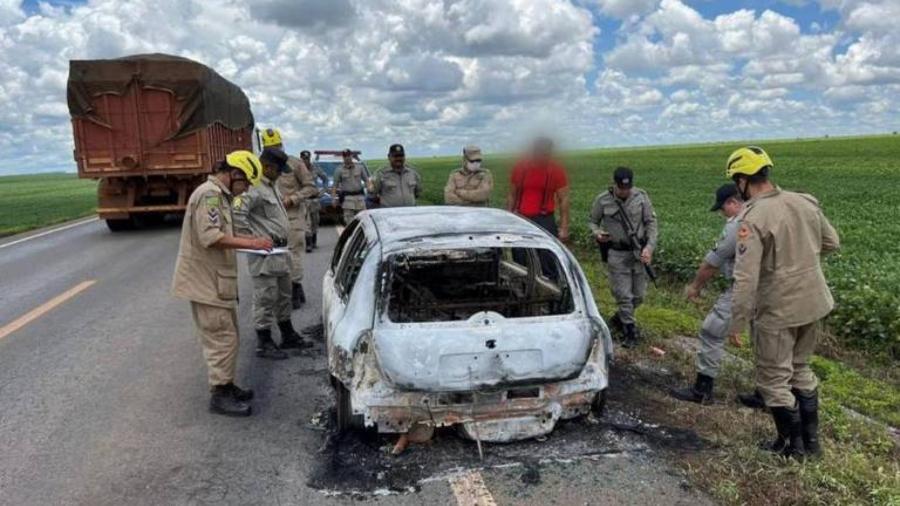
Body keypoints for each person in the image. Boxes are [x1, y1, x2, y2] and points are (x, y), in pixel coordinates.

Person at [725, 146, 840, 459]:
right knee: (801, 369)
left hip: (779, 308)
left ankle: (793, 447)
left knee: (774, 378)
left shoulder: (753, 217)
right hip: (814, 301)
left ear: (742, 180)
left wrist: (737, 322)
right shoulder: (803, 201)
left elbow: (746, 279)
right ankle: (811, 445)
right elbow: (832, 242)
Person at [171, 151, 273, 417]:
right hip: (206, 283)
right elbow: (211, 236)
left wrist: (253, 240)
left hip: (216, 282)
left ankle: (226, 385)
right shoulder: (210, 195)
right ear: (234, 174)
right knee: (221, 339)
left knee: (229, 336)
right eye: (246, 183)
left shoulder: (220, 196)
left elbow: (225, 234)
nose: (246, 189)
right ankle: (220, 393)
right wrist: (252, 243)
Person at [234, 147, 314, 360]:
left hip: (281, 250)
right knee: (265, 297)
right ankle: (264, 340)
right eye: (279, 169)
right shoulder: (253, 188)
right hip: (264, 253)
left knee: (284, 294)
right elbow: (238, 214)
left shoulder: (272, 185)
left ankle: (287, 333)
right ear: (267, 166)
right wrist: (252, 240)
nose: (281, 173)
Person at [670, 184, 742, 404]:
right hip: (775, 287)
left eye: (722, 208)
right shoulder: (765, 216)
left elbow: (712, 263)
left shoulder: (738, 224)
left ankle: (702, 390)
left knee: (711, 331)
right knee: (767, 339)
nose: (722, 213)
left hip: (745, 286)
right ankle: (770, 396)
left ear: (732, 202)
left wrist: (694, 287)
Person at [588, 167, 658, 348]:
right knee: (624, 295)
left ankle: (619, 319)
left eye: (627, 188)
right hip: (617, 253)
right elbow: (593, 221)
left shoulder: (641, 197)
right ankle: (629, 331)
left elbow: (651, 223)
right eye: (621, 188)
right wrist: (597, 233)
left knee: (639, 296)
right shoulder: (603, 200)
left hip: (638, 253)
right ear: (615, 184)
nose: (624, 191)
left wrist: (649, 248)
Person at [262, 129, 318, 309]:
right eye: (269, 148)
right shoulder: (260, 166)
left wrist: (293, 198)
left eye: (276, 146)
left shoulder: (295, 164)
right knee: (273, 256)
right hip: (269, 219)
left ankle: (295, 287)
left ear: (281, 145)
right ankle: (281, 289)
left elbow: (310, 187)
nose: (273, 150)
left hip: (292, 216)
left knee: (292, 254)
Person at [507, 137, 570, 240]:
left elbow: (564, 199)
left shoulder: (556, 170)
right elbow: (512, 195)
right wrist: (509, 218)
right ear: (534, 151)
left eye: (547, 152)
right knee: (520, 254)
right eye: (541, 152)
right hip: (521, 218)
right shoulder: (520, 168)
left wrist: (564, 227)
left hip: (545, 219)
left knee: (546, 254)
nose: (544, 156)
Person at [331, 149, 369, 223]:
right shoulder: (339, 170)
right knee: (349, 223)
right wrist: (333, 198)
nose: (347, 158)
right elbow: (335, 185)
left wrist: (370, 189)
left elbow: (367, 181)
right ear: (343, 157)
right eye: (345, 156)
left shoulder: (360, 167)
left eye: (349, 155)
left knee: (363, 222)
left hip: (360, 198)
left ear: (352, 156)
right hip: (347, 200)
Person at [301, 150, 328, 251]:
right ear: (301, 159)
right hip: (304, 200)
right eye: (304, 159)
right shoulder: (298, 169)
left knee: (315, 221)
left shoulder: (316, 168)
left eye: (307, 159)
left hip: (315, 199)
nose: (305, 161)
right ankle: (308, 244)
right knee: (307, 222)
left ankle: (314, 240)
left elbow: (325, 179)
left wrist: (323, 191)